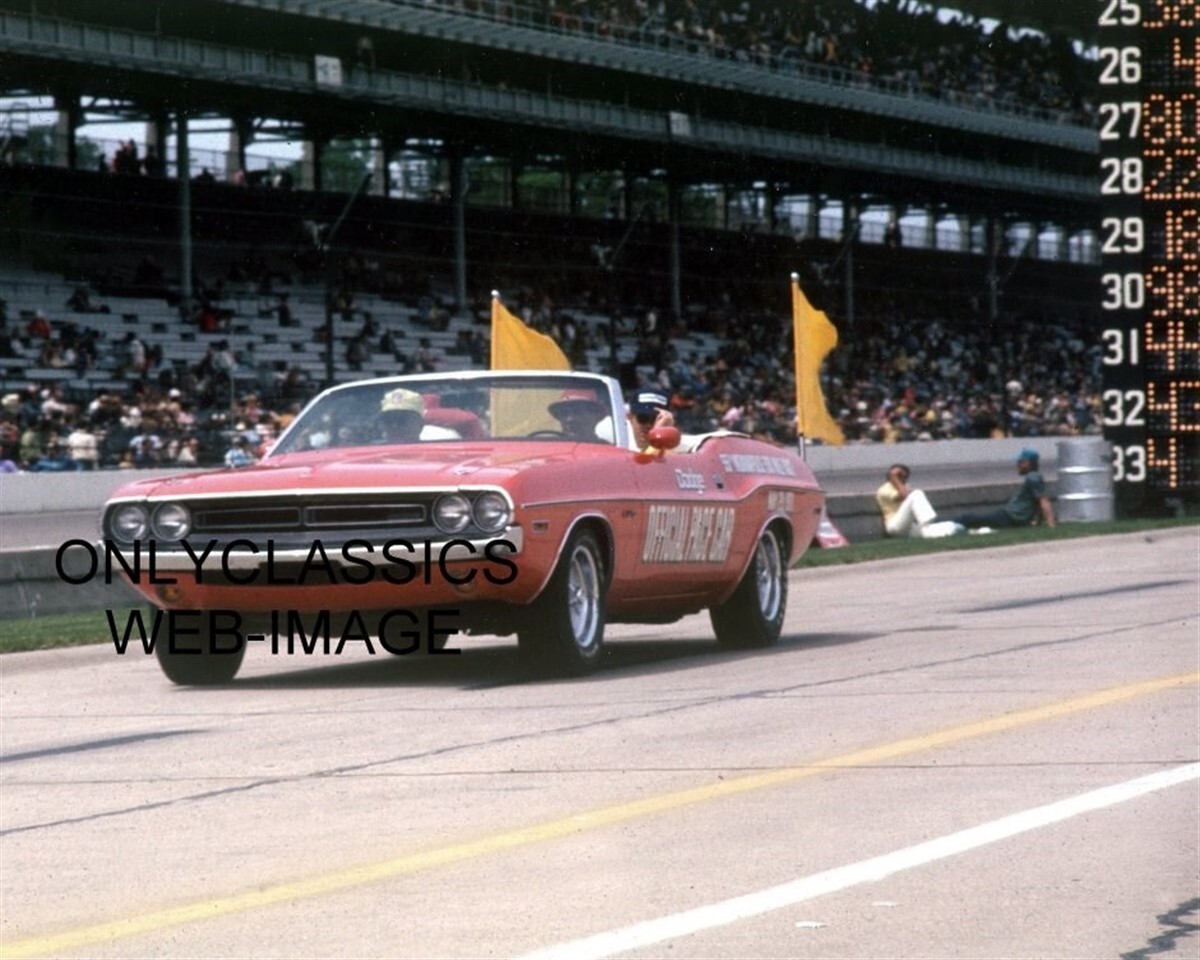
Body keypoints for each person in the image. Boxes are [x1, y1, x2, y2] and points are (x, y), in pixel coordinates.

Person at [953, 448, 1056, 531]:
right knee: (978, 520)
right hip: (1012, 516)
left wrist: (1051, 524)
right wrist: (1037, 522)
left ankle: (949, 524)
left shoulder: (1033, 477)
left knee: (970, 519)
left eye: (1020, 462)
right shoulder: (1034, 477)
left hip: (1011, 517)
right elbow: (1037, 503)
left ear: (1027, 463)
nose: (1017, 465)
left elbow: (1043, 501)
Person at [875, 464, 962, 538]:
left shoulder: (903, 487)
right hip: (894, 526)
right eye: (900, 476)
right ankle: (927, 520)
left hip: (908, 526)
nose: (904, 479)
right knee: (917, 493)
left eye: (905, 477)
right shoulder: (884, 489)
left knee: (949, 527)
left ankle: (968, 529)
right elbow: (904, 496)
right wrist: (895, 478)